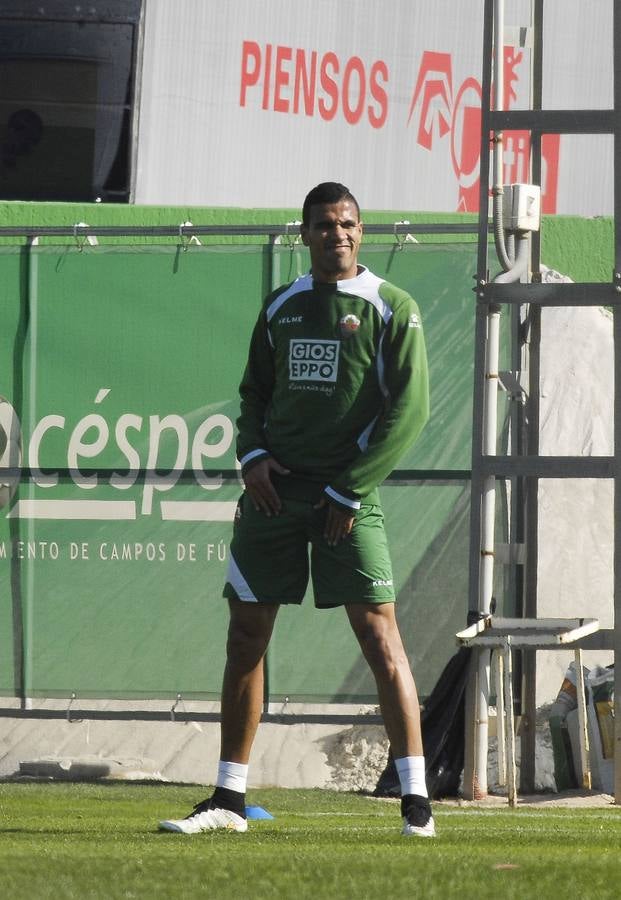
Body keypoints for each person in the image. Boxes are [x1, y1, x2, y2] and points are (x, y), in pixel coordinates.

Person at [159, 182, 434, 838]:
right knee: (245, 636)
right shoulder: (280, 305)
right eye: (322, 225)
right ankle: (228, 799)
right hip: (273, 497)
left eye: (346, 224)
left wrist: (349, 487)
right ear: (303, 234)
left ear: (360, 232)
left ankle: (416, 804)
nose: (335, 234)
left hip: (348, 499)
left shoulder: (391, 307)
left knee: (379, 639)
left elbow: (409, 410)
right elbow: (253, 391)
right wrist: (251, 454)